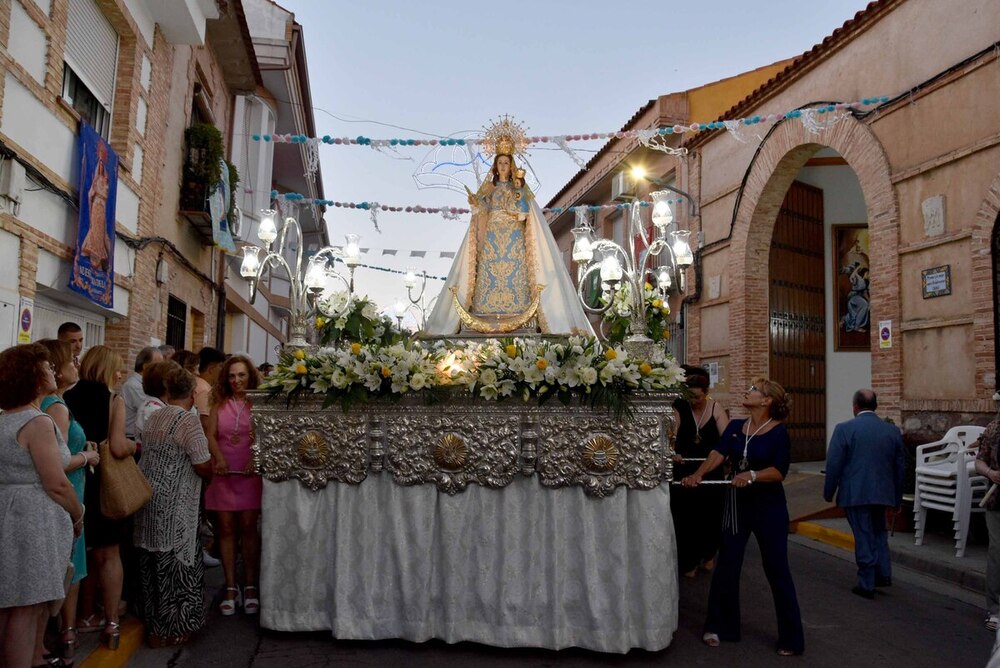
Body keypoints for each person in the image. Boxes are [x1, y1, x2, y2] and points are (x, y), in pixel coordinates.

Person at [423, 120, 593, 336]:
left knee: (515, 272)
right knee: (489, 270)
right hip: (493, 237)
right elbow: (481, 213)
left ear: (511, 165)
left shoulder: (519, 189)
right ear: (495, 166)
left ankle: (523, 312)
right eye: (500, 163)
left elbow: (524, 215)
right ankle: (484, 310)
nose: (503, 166)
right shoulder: (489, 189)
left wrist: (519, 192)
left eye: (506, 163)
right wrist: (476, 204)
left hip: (513, 237)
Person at [681, 378, 805, 657]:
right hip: (737, 506)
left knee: (777, 570)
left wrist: (752, 475)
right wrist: (698, 474)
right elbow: (717, 453)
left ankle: (792, 638)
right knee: (727, 566)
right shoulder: (737, 427)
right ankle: (720, 626)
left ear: (766, 400)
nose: (748, 392)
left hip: (769, 509)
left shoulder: (778, 433)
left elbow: (779, 471)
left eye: (753, 390)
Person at [0, 343, 83, 668]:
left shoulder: (5, 419)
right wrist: (78, 514)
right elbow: (56, 482)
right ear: (34, 378)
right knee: (26, 604)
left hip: (10, 513)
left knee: (12, 603)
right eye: (47, 367)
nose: (52, 371)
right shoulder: (37, 422)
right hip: (32, 519)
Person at [134, 364, 213, 647]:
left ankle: (156, 628)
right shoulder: (187, 421)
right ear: (192, 393)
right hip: (177, 504)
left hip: (149, 500)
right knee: (177, 566)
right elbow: (202, 463)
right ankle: (176, 628)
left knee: (152, 567)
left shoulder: (155, 416)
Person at [64, 345, 135, 650]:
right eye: (117, 368)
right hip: (103, 483)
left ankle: (70, 628)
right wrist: (135, 446)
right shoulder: (112, 400)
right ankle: (112, 624)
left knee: (75, 557)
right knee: (108, 555)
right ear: (106, 368)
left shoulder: (65, 396)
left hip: (74, 481)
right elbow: (118, 446)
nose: (120, 374)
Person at [38, 339, 100, 663]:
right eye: (70, 361)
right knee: (68, 570)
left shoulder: (55, 402)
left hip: (69, 493)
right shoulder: (57, 406)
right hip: (68, 497)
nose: (77, 364)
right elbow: (58, 460)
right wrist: (87, 455)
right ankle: (66, 634)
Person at [823, 388, 905, 599]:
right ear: (875, 406)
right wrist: (897, 498)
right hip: (883, 492)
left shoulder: (844, 429)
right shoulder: (891, 431)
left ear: (855, 407)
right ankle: (883, 573)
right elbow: (900, 467)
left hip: (855, 492)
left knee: (863, 534)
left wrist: (829, 491)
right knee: (879, 531)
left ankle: (866, 581)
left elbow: (834, 464)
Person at [204, 355, 262, 616]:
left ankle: (249, 585)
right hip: (224, 472)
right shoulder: (218, 403)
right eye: (232, 376)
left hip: (250, 474)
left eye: (241, 375)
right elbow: (211, 435)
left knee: (249, 528)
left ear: (250, 376)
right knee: (225, 529)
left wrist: (255, 458)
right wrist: (218, 458)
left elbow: (265, 435)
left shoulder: (259, 404)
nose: (237, 380)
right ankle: (230, 587)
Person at [671, 365, 729, 577]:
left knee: (711, 515)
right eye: (689, 396)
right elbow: (671, 437)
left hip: (711, 470)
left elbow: (726, 437)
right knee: (686, 517)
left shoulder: (715, 408)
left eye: (696, 396)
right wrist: (673, 453)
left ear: (706, 393)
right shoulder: (679, 407)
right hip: (684, 471)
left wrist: (726, 452)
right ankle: (689, 560)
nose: (693, 401)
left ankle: (709, 555)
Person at [976, 417, 1000, 631]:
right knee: (997, 552)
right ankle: (996, 610)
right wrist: (991, 473)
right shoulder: (993, 429)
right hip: (996, 502)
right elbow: (979, 462)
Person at [121, 347, 164, 442]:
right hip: (132, 439)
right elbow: (154, 409)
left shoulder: (144, 384)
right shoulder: (134, 385)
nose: (161, 369)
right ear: (145, 366)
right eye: (158, 365)